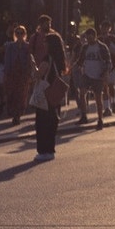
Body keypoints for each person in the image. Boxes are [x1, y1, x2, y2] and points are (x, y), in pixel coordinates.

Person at [32, 32, 67, 161]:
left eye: (45, 42)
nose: (43, 44)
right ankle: (50, 150)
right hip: (54, 94)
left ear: (50, 44)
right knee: (52, 122)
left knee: (42, 122)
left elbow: (38, 75)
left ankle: (43, 150)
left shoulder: (47, 58)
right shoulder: (59, 59)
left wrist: (33, 65)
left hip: (45, 93)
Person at [75, 27, 110, 128]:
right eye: (87, 38)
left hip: (98, 75)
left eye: (90, 38)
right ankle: (84, 115)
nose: (89, 40)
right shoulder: (85, 47)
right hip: (86, 74)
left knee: (98, 98)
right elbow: (80, 60)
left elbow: (108, 61)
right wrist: (74, 67)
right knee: (82, 93)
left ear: (95, 36)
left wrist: (105, 73)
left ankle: (100, 119)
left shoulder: (102, 47)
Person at [3, 24, 33, 125]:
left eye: (21, 33)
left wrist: (30, 74)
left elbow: (30, 61)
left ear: (24, 34)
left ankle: (18, 115)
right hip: (12, 73)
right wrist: (6, 74)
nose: (19, 35)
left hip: (23, 74)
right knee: (12, 94)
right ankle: (13, 113)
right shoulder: (10, 46)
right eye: (17, 33)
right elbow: (7, 61)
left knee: (22, 95)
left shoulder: (27, 46)